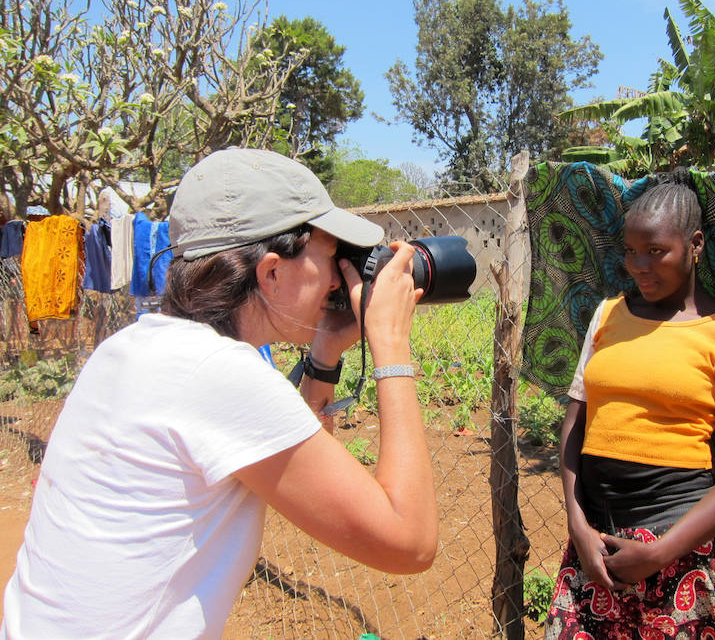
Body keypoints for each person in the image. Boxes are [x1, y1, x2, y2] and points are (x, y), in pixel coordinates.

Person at [1, 149, 438, 639]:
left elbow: (311, 474)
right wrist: (390, 342)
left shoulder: (130, 349)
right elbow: (410, 542)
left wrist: (324, 354)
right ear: (271, 272)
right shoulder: (218, 374)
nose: (340, 278)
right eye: (331, 257)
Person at [544, 182, 715, 640]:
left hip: (677, 550)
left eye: (655, 251)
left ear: (695, 245)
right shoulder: (607, 315)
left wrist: (659, 553)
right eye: (631, 252)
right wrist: (577, 525)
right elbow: (575, 424)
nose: (639, 267)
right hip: (594, 548)